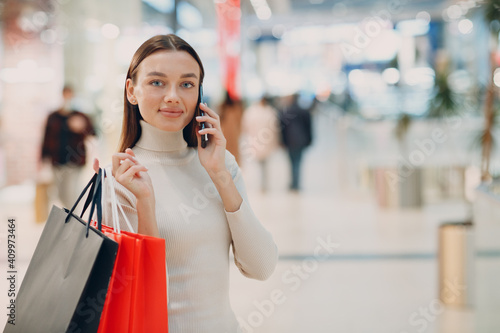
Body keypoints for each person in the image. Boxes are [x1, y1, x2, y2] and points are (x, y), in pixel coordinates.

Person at [93, 34, 278, 332]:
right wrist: (145, 204)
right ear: (131, 90)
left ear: (199, 94)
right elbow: (135, 294)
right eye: (157, 82)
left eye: (187, 84)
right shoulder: (120, 179)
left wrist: (220, 176)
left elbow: (262, 267)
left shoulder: (221, 164)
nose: (173, 96)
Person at [40, 85, 96, 209]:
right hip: (57, 161)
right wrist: (43, 159)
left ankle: (74, 220)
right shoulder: (53, 117)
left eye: (70, 94)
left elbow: (93, 132)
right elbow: (46, 139)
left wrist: (81, 127)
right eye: (65, 94)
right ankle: (72, 217)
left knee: (71, 193)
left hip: (74, 161)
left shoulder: (80, 116)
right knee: (60, 194)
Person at [241, 95, 280, 192]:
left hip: (256, 141)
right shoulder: (270, 112)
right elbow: (275, 128)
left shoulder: (251, 112)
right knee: (264, 164)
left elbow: (245, 127)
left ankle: (261, 184)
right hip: (265, 141)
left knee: (260, 164)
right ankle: (263, 184)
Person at [279, 93, 313, 192]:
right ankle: (296, 183)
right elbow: (308, 127)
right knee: (298, 162)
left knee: (292, 162)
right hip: (301, 141)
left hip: (289, 141)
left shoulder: (285, 112)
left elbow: (282, 129)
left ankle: (294, 183)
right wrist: (309, 139)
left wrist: (282, 141)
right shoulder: (304, 111)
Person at [218, 90, 243, 165]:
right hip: (234, 133)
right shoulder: (236, 107)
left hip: (225, 132)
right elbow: (239, 121)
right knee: (234, 152)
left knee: (226, 152)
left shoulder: (223, 107)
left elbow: (220, 120)